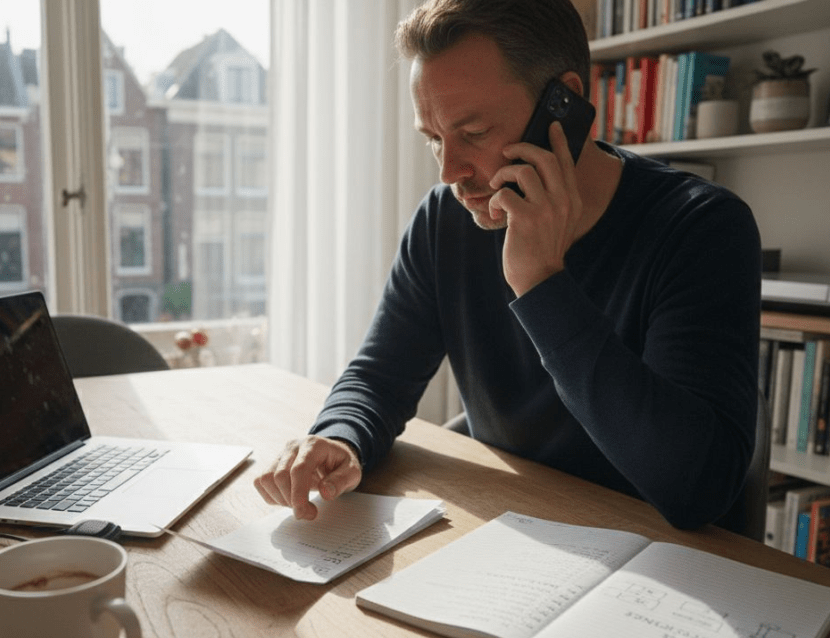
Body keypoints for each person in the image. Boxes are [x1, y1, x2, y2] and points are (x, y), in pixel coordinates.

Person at [253, 0, 761, 531]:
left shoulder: (702, 228)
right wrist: (339, 436)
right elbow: (380, 376)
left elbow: (696, 489)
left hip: (662, 560)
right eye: (433, 138)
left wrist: (542, 284)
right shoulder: (444, 221)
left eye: (472, 133)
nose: (450, 171)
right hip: (511, 530)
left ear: (564, 105)